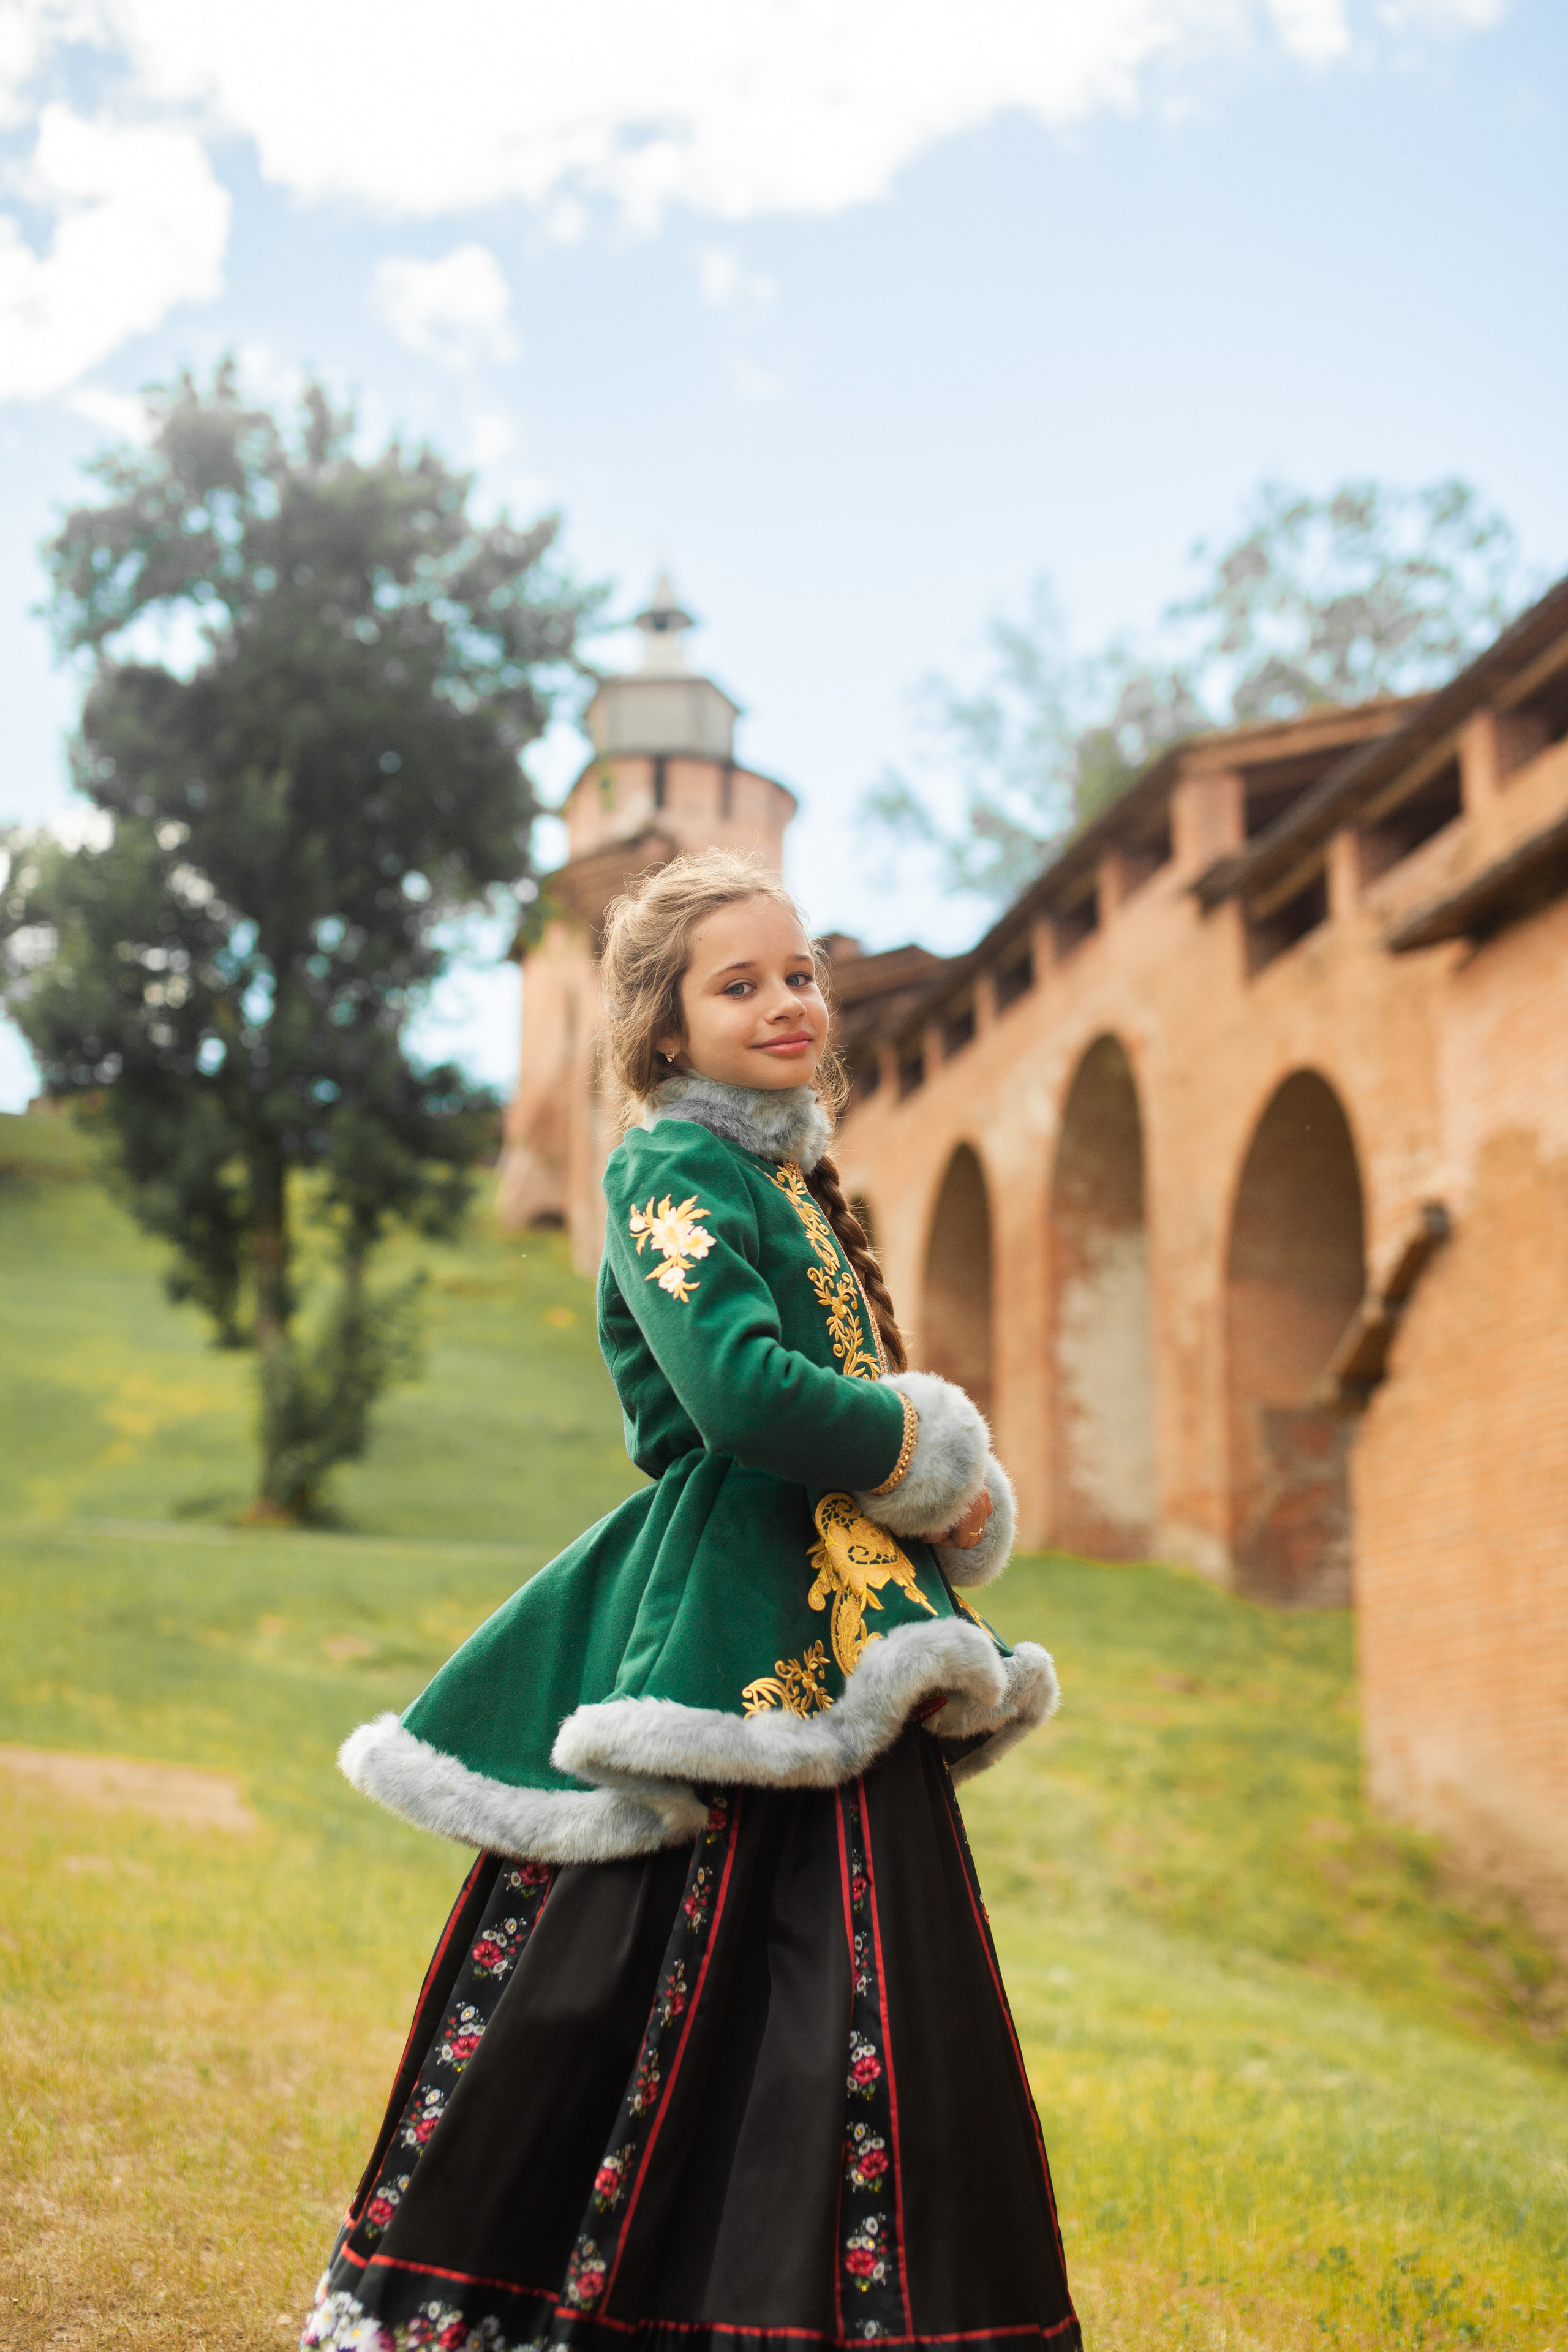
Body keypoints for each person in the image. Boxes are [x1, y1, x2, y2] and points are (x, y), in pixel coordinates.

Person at [303, 848, 1079, 2352]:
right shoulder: (670, 1165)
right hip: (725, 1613)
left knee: (863, 1973)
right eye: (740, 985)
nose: (787, 1003)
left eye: (800, 974)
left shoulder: (787, 1179)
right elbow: (732, 1392)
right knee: (635, 1964)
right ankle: (534, 2298)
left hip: (846, 1619)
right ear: (665, 1027)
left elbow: (824, 1401)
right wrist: (918, 1446)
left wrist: (943, 1493)